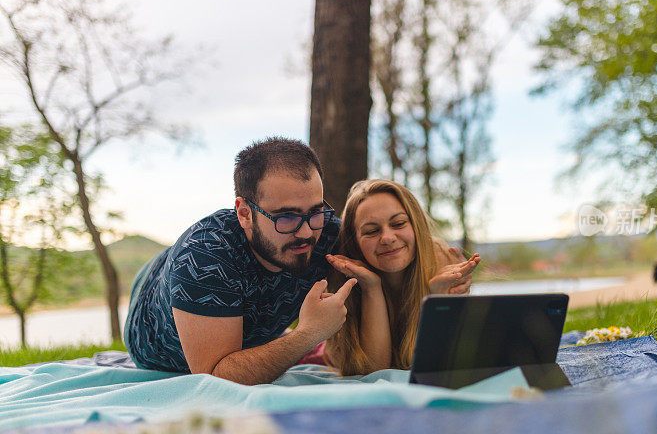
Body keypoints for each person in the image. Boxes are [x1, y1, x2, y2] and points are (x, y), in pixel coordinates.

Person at [124, 137, 357, 384]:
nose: (306, 233)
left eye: (314, 211)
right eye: (286, 216)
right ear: (245, 213)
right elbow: (216, 378)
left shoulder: (327, 231)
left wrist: (373, 285)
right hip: (153, 321)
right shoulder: (204, 258)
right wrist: (308, 334)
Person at [322, 179, 480, 375]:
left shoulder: (441, 261)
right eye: (371, 231)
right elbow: (373, 371)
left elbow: (443, 366)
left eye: (398, 223)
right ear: (355, 244)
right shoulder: (348, 280)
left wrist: (437, 298)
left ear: (416, 226)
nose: (387, 238)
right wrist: (372, 288)